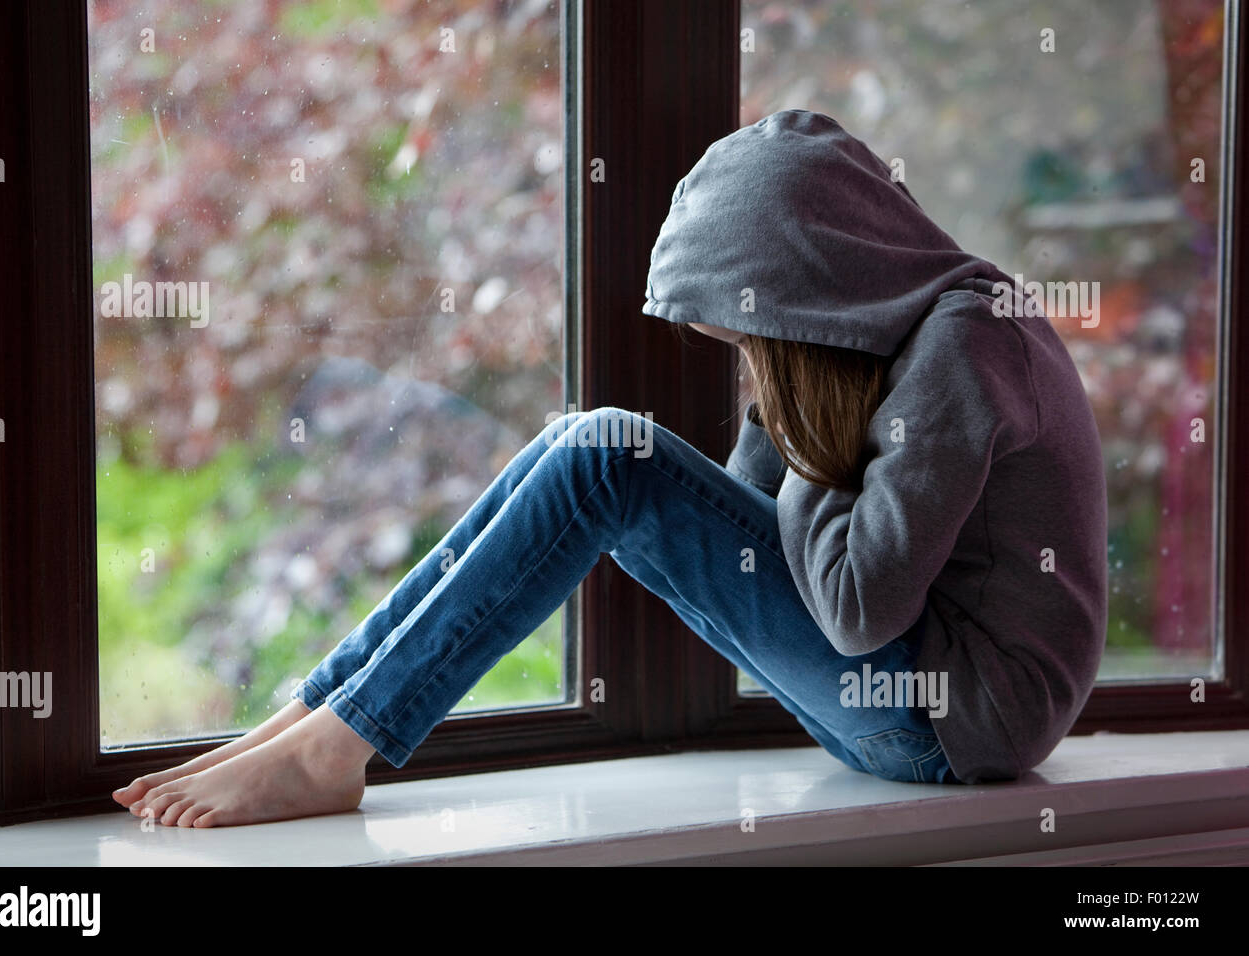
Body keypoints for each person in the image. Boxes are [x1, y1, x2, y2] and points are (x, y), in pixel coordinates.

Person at [112, 110, 1108, 827]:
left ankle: (339, 745)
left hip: (954, 722)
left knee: (603, 454)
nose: (751, 362)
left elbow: (850, 606)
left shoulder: (965, 348)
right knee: (575, 441)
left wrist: (802, 426)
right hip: (912, 700)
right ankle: (319, 711)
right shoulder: (893, 338)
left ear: (815, 290)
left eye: (756, 334)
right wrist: (789, 427)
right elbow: (753, 524)